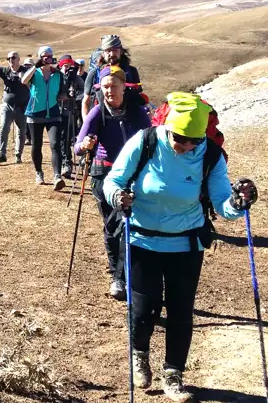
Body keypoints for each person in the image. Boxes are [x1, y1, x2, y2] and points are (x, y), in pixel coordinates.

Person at [103, 93, 258, 400]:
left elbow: (222, 204)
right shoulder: (145, 142)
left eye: (193, 140)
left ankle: (173, 375)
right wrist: (118, 197)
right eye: (180, 138)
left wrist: (239, 203)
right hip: (142, 239)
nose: (186, 145)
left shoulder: (210, 154)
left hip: (186, 245)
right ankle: (140, 356)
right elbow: (112, 181)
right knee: (145, 308)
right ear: (168, 127)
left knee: (180, 312)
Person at [74, 65, 151, 300]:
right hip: (102, 176)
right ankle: (117, 271)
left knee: (124, 224)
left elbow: (152, 140)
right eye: (105, 87)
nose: (109, 91)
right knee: (113, 226)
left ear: (124, 87)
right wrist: (84, 145)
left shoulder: (138, 112)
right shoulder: (97, 112)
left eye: (113, 86)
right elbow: (77, 148)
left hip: (132, 177)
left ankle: (120, 277)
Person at [21, 46, 67, 189]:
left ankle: (57, 176)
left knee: (55, 144)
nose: (47, 58)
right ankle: (39, 172)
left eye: (49, 56)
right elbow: (23, 81)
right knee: (37, 145)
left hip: (53, 113)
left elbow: (62, 93)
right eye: (44, 56)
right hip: (35, 114)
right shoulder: (34, 74)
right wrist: (35, 67)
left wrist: (66, 95)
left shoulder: (57, 75)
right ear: (40, 58)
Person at [82, 34, 141, 120]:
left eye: (115, 50)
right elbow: (86, 102)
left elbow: (139, 97)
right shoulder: (94, 74)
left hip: (129, 121)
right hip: (101, 123)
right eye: (108, 51)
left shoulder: (132, 72)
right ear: (103, 53)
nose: (112, 54)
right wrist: (87, 123)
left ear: (121, 51)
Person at [58, 55, 85, 178]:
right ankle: (61, 162)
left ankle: (67, 163)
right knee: (58, 139)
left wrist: (73, 97)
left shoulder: (76, 78)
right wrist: (59, 97)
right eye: (65, 65)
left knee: (67, 138)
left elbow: (84, 91)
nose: (67, 67)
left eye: (69, 65)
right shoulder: (56, 77)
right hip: (56, 111)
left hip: (70, 112)